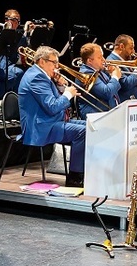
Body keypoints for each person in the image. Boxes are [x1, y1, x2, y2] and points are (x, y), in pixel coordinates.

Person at [16, 46, 87, 187]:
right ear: (42, 61)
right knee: (83, 132)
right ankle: (75, 177)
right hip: (40, 127)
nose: (57, 66)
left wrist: (61, 87)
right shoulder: (36, 78)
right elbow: (52, 107)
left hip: (51, 120)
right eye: (54, 62)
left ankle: (87, 171)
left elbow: (53, 103)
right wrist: (68, 94)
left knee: (91, 125)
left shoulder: (42, 76)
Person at [76, 41, 121, 117]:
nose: (104, 60)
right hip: (97, 116)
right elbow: (106, 93)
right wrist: (115, 77)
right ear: (90, 61)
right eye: (100, 57)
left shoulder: (98, 71)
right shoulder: (87, 74)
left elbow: (112, 90)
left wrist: (110, 74)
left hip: (107, 114)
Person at [108, 34, 137, 102]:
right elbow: (125, 85)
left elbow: (136, 80)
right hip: (126, 103)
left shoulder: (124, 60)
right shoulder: (111, 61)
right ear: (122, 46)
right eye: (131, 48)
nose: (133, 51)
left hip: (136, 101)